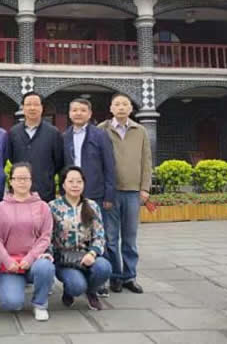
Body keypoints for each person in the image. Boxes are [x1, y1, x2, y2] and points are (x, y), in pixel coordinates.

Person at [98, 93, 152, 294]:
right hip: (110, 193)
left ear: (131, 108)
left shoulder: (140, 131)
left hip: (132, 192)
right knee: (111, 238)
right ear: (111, 108)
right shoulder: (102, 129)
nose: (121, 107)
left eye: (125, 104)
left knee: (130, 238)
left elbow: (146, 161)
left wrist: (145, 188)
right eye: (117, 104)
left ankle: (130, 276)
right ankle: (115, 277)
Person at [63, 98, 115, 296]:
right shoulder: (65, 136)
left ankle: (100, 281)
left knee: (99, 236)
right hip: (71, 193)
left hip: (95, 193)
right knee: (73, 235)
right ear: (69, 113)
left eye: (82, 110)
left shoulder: (100, 135)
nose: (78, 113)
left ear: (89, 114)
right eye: (74, 110)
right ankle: (75, 274)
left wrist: (109, 194)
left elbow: (110, 165)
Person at [0, 162, 55, 321]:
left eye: (25, 178)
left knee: (46, 267)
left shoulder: (42, 206)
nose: (22, 182)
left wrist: (30, 258)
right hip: (11, 265)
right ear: (11, 181)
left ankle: (40, 304)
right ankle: (12, 287)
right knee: (11, 303)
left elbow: (45, 237)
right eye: (18, 178)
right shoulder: (1, 207)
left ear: (31, 180)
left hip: (35, 261)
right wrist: (7, 260)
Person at [49, 166, 112, 310]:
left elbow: (99, 235)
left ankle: (91, 292)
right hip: (66, 260)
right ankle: (70, 289)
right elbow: (48, 236)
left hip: (88, 257)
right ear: (63, 184)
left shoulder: (92, 206)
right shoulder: (53, 207)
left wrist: (92, 253)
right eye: (71, 181)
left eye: (79, 181)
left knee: (104, 268)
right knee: (76, 286)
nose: (75, 185)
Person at [8, 91, 64, 202]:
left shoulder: (53, 133)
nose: (32, 108)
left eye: (36, 104)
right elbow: (11, 158)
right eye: (28, 104)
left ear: (42, 108)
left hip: (44, 192)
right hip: (19, 191)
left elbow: (59, 162)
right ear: (23, 108)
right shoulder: (14, 132)